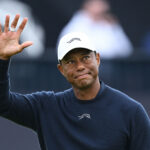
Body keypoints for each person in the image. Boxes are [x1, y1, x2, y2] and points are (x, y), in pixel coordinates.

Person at [0, 14, 150, 150]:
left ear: (97, 59)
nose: (79, 66)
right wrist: (2, 60)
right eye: (71, 61)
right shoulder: (47, 106)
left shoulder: (131, 112)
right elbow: (3, 104)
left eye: (85, 58)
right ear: (61, 69)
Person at [58, 0, 133, 59]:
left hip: (110, 70)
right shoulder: (77, 24)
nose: (102, 7)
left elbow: (126, 49)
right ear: (87, 5)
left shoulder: (109, 24)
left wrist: (114, 28)